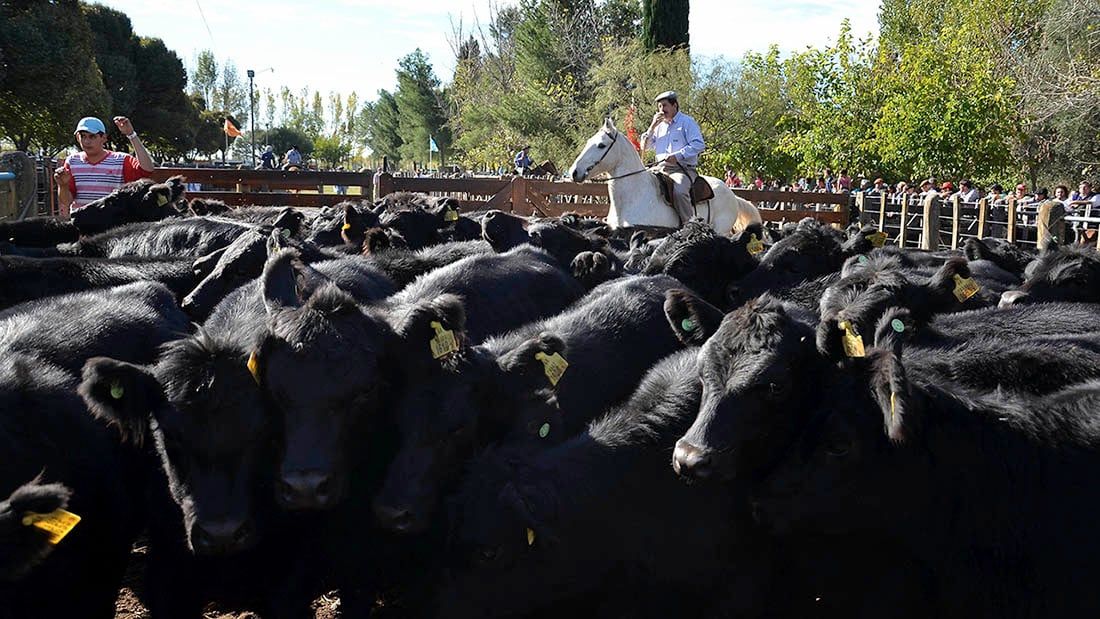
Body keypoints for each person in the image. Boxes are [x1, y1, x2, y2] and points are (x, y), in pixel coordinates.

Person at [54, 116, 155, 218]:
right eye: (83, 136)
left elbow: (147, 169)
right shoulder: (72, 161)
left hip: (112, 226)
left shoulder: (121, 160)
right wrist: (63, 186)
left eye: (92, 136)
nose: (86, 141)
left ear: (104, 138)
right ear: (77, 138)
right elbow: (66, 201)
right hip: (81, 223)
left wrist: (131, 135)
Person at [640, 90, 705, 223]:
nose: (661, 110)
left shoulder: (687, 122)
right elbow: (644, 146)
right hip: (659, 169)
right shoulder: (658, 127)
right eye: (659, 107)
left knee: (680, 191)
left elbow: (699, 145)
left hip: (682, 169)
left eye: (664, 106)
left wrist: (678, 156)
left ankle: (690, 226)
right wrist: (652, 127)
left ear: (674, 105)